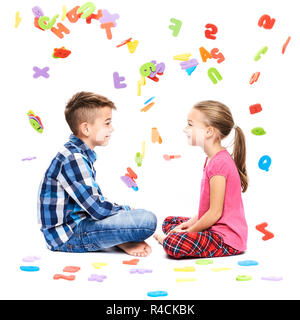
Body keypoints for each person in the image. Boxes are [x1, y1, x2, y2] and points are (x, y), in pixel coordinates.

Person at [37, 91, 157, 256]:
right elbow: (97, 209)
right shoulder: (74, 158)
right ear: (86, 128)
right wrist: (126, 210)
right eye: (107, 123)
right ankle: (120, 239)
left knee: (134, 218)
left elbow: (92, 204)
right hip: (69, 236)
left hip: (80, 224)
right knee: (146, 221)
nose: (112, 128)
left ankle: (119, 240)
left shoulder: (78, 153)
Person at [154, 100, 248, 258]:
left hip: (226, 238)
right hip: (214, 227)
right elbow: (206, 211)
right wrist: (188, 224)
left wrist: (189, 232)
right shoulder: (211, 159)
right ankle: (175, 235)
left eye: (190, 124)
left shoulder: (219, 164)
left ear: (209, 131)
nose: (185, 129)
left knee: (174, 243)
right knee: (169, 222)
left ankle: (167, 240)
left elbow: (215, 213)